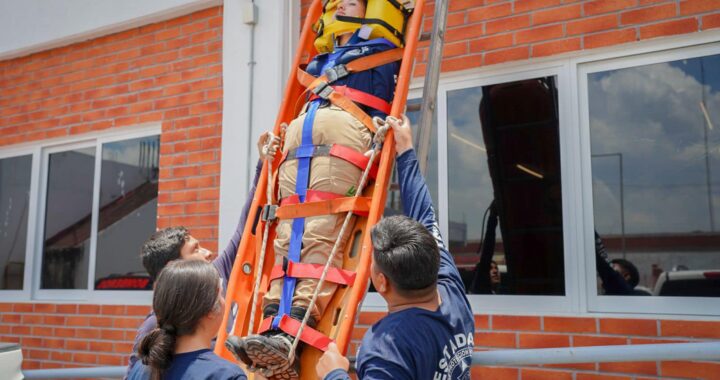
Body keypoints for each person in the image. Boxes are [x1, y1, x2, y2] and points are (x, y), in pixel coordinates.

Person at [226, 0, 400, 377]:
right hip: (297, 145)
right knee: (286, 235)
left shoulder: (383, 52)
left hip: (343, 140)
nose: (343, 1)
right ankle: (272, 326)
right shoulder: (320, 62)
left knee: (319, 233)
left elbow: (386, 104)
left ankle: (292, 334)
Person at [316, 115, 475, 380]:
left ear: (381, 282)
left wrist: (333, 374)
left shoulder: (388, 348)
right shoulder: (452, 295)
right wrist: (405, 152)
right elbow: (426, 217)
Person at [125, 133, 279, 378]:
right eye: (195, 250)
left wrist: (263, 166)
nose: (208, 253)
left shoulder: (213, 275)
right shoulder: (152, 328)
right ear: (172, 269)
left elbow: (246, 229)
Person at [127, 260, 247, 380]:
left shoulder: (140, 369)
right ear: (210, 309)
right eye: (221, 294)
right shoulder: (226, 375)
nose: (224, 301)